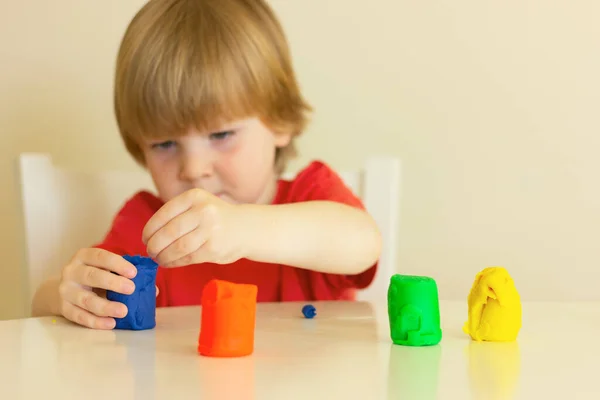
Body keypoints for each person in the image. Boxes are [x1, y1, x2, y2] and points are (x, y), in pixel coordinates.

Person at [31, 0, 382, 329]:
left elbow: (363, 245)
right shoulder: (147, 227)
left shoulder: (311, 196)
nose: (194, 168)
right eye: (165, 144)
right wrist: (61, 294)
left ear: (279, 122)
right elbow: (57, 304)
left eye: (222, 134)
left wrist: (242, 229)